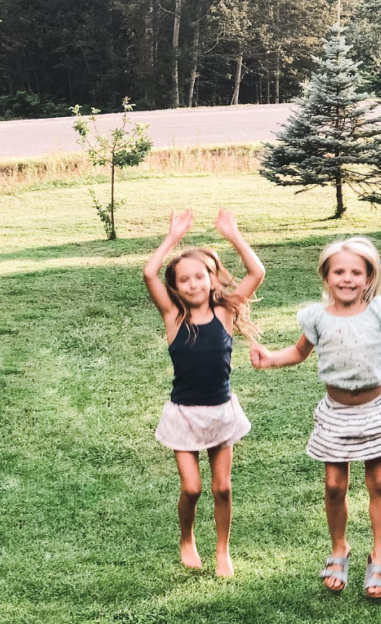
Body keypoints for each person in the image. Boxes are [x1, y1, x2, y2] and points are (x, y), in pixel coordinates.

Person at [249, 236, 381, 598]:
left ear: (369, 277)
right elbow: (298, 353)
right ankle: (339, 548)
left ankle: (379, 556)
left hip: (377, 412)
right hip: (336, 414)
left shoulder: (380, 310)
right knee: (334, 486)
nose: (347, 279)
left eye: (356, 273)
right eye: (339, 272)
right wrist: (270, 358)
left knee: (379, 483)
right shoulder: (316, 317)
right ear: (326, 276)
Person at [143, 208, 264, 575]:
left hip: (221, 412)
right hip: (183, 415)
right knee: (192, 488)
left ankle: (222, 550)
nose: (193, 284)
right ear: (175, 287)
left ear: (212, 280)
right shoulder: (173, 317)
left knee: (222, 488)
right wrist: (173, 238)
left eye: (200, 276)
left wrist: (234, 235)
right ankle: (187, 539)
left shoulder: (225, 313)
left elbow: (256, 273)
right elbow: (149, 273)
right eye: (184, 279)